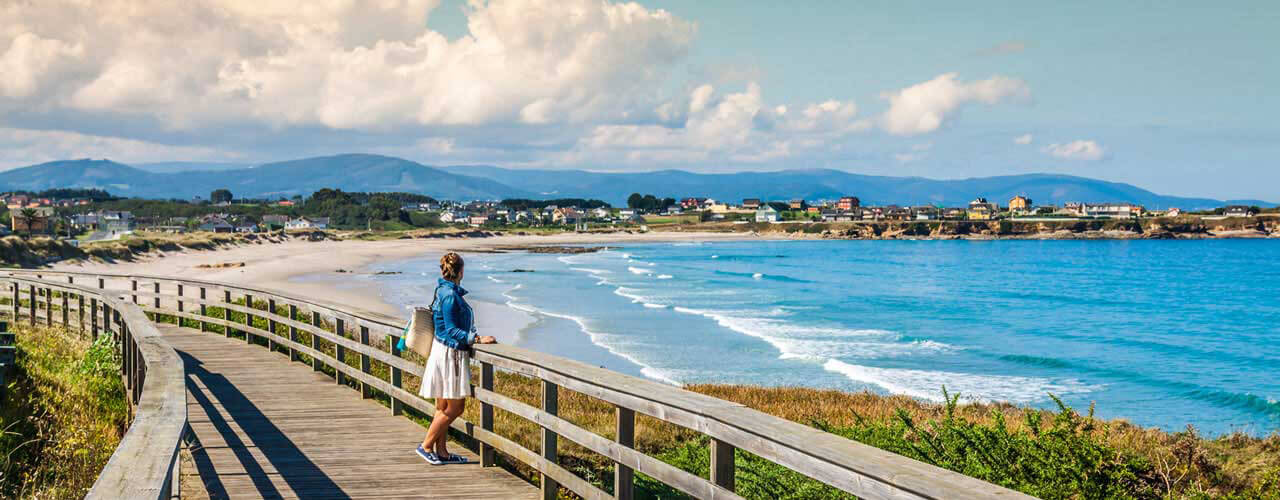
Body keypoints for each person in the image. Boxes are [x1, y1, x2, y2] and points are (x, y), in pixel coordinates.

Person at [416, 253, 497, 465]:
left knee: (443, 407)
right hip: (450, 354)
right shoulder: (450, 295)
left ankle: (441, 451)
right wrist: (476, 338)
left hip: (443, 351)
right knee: (456, 408)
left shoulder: (443, 290)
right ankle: (425, 446)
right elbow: (452, 330)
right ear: (460, 271)